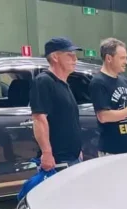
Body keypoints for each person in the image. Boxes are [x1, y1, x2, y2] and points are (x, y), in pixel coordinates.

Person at [29, 37, 84, 171]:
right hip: (57, 161)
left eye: (75, 56)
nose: (75, 60)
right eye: (70, 55)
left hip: (72, 157)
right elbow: (39, 119)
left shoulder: (64, 84)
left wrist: (78, 151)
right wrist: (47, 153)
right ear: (55, 57)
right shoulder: (44, 82)